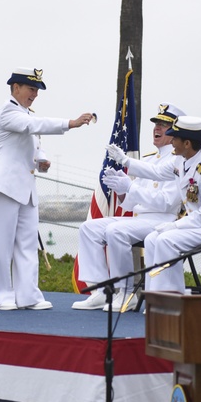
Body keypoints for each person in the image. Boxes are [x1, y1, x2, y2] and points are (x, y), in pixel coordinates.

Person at [0, 67, 94, 311]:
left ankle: (28, 295)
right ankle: (2, 296)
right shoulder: (8, 112)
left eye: (37, 90)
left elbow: (29, 143)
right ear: (16, 88)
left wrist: (40, 160)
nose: (35, 94)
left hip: (25, 189)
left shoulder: (24, 114)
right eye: (32, 89)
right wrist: (70, 123)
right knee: (1, 245)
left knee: (27, 244)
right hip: (2, 187)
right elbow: (34, 125)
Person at [73, 104, 186, 311]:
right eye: (156, 124)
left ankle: (126, 293)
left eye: (164, 124)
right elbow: (132, 202)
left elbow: (166, 202)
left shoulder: (179, 161)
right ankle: (101, 291)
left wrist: (131, 188)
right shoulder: (149, 159)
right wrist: (122, 189)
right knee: (88, 228)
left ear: (175, 131)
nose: (157, 128)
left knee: (116, 231)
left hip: (162, 221)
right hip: (141, 219)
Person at [143, 116, 201, 294]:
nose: (172, 141)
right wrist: (125, 161)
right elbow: (156, 171)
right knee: (151, 239)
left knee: (166, 240)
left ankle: (172, 296)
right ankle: (154, 294)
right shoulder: (180, 161)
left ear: (187, 143)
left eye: (175, 138)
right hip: (195, 224)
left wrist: (175, 225)